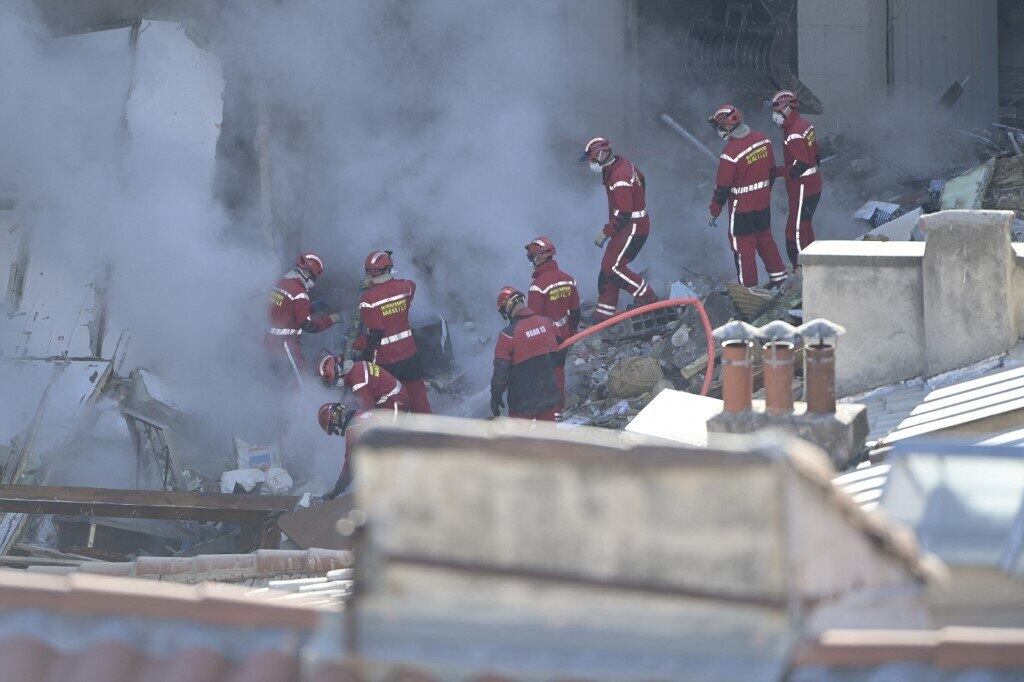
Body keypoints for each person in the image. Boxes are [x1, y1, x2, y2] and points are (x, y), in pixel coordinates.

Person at [707, 105, 788, 289]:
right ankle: (780, 279)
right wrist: (764, 193)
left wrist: (714, 211)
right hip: (762, 205)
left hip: (741, 210)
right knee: (765, 239)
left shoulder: (730, 154)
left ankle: (750, 291)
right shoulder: (763, 140)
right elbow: (772, 172)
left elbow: (722, 188)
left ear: (727, 127)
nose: (719, 132)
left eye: (720, 128)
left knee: (743, 250)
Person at [580, 137, 657, 322]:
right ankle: (604, 313)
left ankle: (648, 300)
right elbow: (642, 178)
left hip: (633, 227)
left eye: (591, 159)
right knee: (607, 267)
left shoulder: (619, 176)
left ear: (600, 155)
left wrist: (606, 232)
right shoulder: (621, 164)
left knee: (613, 267)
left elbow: (624, 212)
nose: (590, 163)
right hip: (628, 226)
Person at [352, 250, 432, 413]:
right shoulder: (405, 288)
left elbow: (375, 333)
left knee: (391, 400)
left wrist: (357, 344)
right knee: (418, 396)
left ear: (368, 273)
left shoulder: (367, 300)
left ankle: (398, 434)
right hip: (410, 355)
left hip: (387, 361)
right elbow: (411, 286)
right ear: (389, 268)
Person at [266, 252, 342, 387]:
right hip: (286, 345)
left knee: (278, 382)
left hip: (270, 341)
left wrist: (310, 307)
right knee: (300, 383)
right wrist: (332, 319)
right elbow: (308, 325)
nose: (313, 282)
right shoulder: (299, 292)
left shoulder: (281, 282)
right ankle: (302, 407)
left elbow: (286, 309)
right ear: (308, 273)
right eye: (314, 278)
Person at [525, 236, 580, 415]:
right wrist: (570, 335)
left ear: (540, 257)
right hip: (563, 337)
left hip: (545, 342)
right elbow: (576, 312)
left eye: (533, 257)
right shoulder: (568, 280)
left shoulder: (537, 287)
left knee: (543, 379)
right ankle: (558, 412)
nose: (532, 261)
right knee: (559, 375)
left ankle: (547, 415)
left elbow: (534, 321)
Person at [490, 286, 561, 421]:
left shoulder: (507, 335)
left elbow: (500, 373)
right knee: (550, 436)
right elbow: (560, 352)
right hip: (548, 394)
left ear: (508, 308)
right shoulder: (548, 323)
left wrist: (495, 396)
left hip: (521, 402)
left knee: (520, 440)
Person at [770, 90, 821, 267]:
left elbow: (801, 165)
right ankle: (813, 263)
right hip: (814, 186)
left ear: (788, 110)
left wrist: (777, 172)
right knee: (806, 226)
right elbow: (816, 156)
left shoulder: (793, 133)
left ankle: (801, 269)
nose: (774, 116)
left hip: (802, 188)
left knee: (795, 232)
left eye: (777, 112)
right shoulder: (805, 125)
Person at [317, 355, 409, 413]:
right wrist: (345, 406)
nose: (336, 384)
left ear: (339, 373)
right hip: (396, 397)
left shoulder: (358, 383)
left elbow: (368, 411)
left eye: (334, 382)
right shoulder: (357, 366)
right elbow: (363, 397)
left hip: (396, 404)